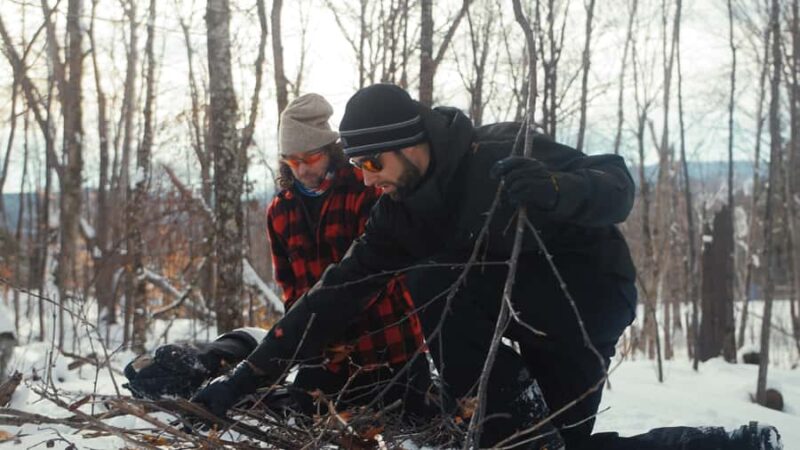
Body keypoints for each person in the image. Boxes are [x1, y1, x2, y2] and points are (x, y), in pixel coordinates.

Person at [192, 84, 782, 450]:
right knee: (430, 281)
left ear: (407, 144)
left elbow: (616, 186)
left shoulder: (498, 154)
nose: (365, 177)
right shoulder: (398, 215)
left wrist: (556, 188)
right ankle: (501, 402)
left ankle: (725, 445)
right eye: (357, 163)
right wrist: (245, 380)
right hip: (490, 323)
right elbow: (330, 296)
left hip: (579, 306)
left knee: (560, 447)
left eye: (371, 162)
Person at [125, 93, 431, 420]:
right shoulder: (281, 211)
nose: (300, 169)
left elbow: (363, 284)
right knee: (297, 419)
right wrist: (285, 358)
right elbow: (293, 294)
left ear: (330, 150)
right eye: (291, 160)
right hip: (324, 360)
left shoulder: (367, 189)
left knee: (405, 425)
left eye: (310, 158)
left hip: (390, 352)